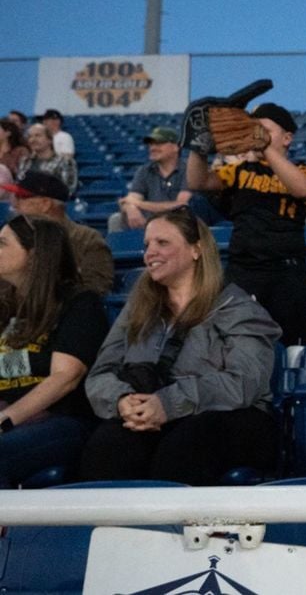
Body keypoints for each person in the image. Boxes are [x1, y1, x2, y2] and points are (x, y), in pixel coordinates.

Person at [80, 206, 281, 485]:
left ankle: (170, 529)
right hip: (152, 414)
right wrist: (122, 400)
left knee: (187, 443)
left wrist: (170, 403)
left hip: (229, 419)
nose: (150, 253)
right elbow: (101, 374)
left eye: (163, 243)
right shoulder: (137, 309)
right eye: (147, 245)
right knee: (108, 446)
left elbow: (244, 383)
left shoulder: (237, 308)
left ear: (196, 250)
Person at [186, 102, 306, 346]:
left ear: (287, 138)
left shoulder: (301, 169)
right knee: (237, 342)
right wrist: (198, 147)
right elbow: (198, 181)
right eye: (253, 128)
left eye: (265, 129)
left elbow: (304, 189)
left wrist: (266, 149)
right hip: (245, 272)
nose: (256, 133)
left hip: (286, 274)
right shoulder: (239, 170)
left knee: (292, 345)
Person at [0, 215, 109, 488]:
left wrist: (5, 420)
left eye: (3, 243)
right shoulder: (4, 306)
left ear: (35, 255)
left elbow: (65, 378)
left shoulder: (80, 303)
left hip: (64, 422)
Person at [2, 170, 114, 296]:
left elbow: (96, 289)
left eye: (21, 197)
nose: (14, 204)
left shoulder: (87, 239)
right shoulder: (12, 239)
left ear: (45, 204)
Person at [107, 126, 191, 233]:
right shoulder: (144, 171)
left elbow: (181, 206)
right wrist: (131, 208)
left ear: (176, 147)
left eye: (159, 143)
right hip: (150, 223)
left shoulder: (188, 169)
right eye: (151, 144)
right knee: (116, 219)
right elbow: (129, 199)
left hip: (180, 224)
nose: (152, 148)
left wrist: (139, 204)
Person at [18, 123, 78, 194]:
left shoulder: (66, 162)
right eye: (30, 137)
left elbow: (68, 190)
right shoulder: (25, 161)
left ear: (49, 140)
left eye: (38, 136)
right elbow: (20, 184)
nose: (33, 140)